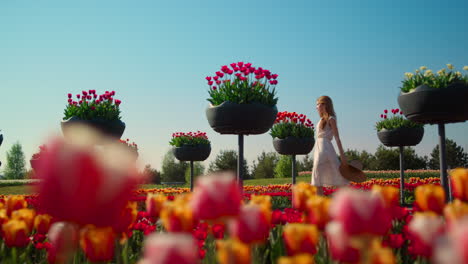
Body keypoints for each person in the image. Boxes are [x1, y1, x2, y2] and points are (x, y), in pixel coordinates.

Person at [311, 96, 349, 195]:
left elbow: (337, 138)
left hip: (326, 148)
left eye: (317, 104)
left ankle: (345, 201)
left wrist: (342, 156)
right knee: (317, 178)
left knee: (333, 173)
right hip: (319, 147)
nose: (316, 107)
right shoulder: (321, 120)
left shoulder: (331, 119)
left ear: (324, 105)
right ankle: (320, 204)